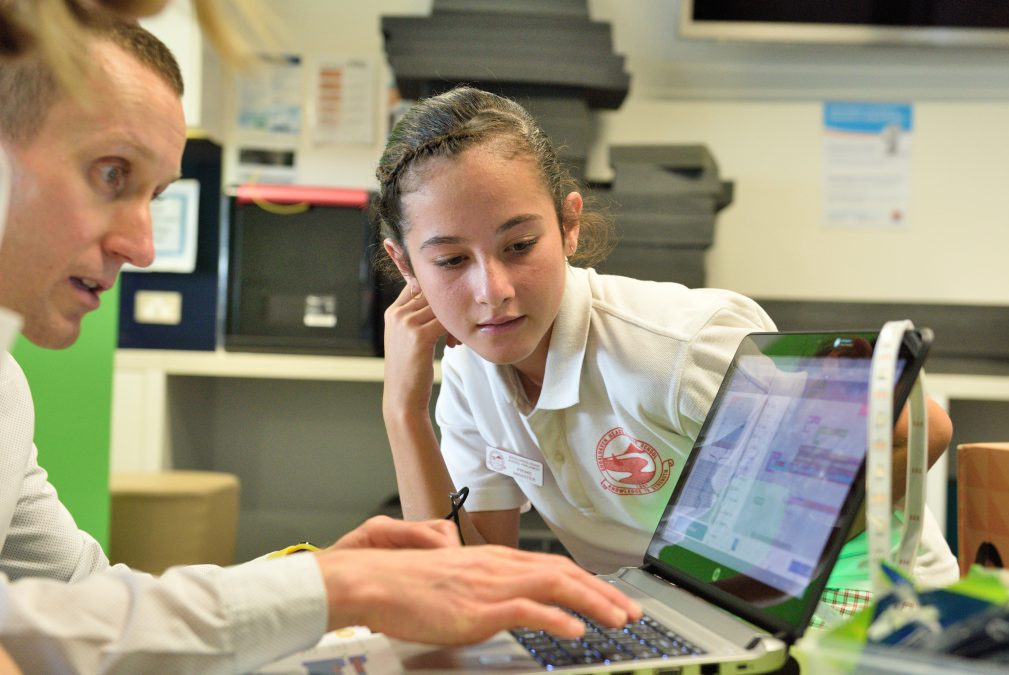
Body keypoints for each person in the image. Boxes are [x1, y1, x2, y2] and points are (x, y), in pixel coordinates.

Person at [0, 11, 640, 674]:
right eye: (111, 174)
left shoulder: (6, 390)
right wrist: (333, 588)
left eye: (154, 195)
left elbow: (81, 599)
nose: (142, 246)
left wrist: (324, 578)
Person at [375, 86, 959, 614]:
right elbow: (465, 581)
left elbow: (920, 427)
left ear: (569, 226)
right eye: (451, 260)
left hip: (849, 603)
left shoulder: (678, 346)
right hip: (674, 615)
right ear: (405, 265)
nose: (493, 292)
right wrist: (403, 412)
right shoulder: (472, 375)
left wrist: (731, 583)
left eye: (521, 245)